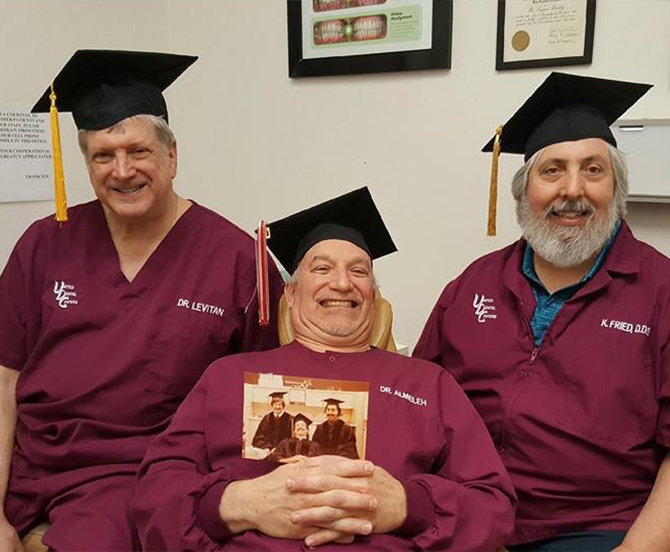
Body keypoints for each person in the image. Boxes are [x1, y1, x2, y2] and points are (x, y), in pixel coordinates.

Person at [0, 49, 283, 552]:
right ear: (85, 164)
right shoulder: (44, 243)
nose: (122, 170)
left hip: (150, 471)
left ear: (172, 156)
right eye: (102, 156)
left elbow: (262, 396)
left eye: (138, 151)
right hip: (39, 463)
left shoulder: (239, 260)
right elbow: (4, 381)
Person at [132, 187, 516, 551]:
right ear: (292, 294)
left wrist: (406, 505)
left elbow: (493, 506)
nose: (342, 283)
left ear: (374, 297)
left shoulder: (429, 383)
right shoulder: (227, 376)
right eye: (322, 268)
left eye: (359, 272)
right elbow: (155, 496)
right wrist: (239, 503)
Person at [414, 72, 670, 552]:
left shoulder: (662, 292)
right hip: (467, 514)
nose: (572, 191)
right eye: (552, 170)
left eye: (593, 170)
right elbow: (417, 403)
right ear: (522, 190)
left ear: (616, 189)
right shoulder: (472, 285)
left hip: (599, 530)